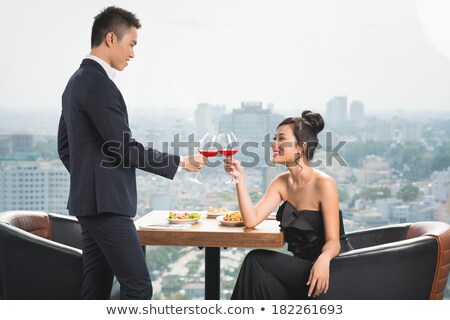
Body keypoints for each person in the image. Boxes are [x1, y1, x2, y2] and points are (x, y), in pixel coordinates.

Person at [57, 6, 207, 300]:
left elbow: (65, 148)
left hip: (89, 204)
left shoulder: (76, 81)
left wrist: (89, 181)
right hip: (107, 206)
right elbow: (123, 148)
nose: (133, 54)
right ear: (111, 38)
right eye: (132, 44)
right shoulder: (99, 84)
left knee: (95, 290)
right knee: (138, 288)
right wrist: (180, 162)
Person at [224, 110, 353, 299]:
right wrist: (239, 180)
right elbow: (251, 220)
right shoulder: (281, 182)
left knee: (256, 261)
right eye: (275, 139)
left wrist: (323, 260)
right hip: (303, 268)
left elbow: (334, 241)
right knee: (260, 278)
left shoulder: (324, 183)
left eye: (281, 139)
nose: (274, 144)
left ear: (301, 147)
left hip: (332, 267)